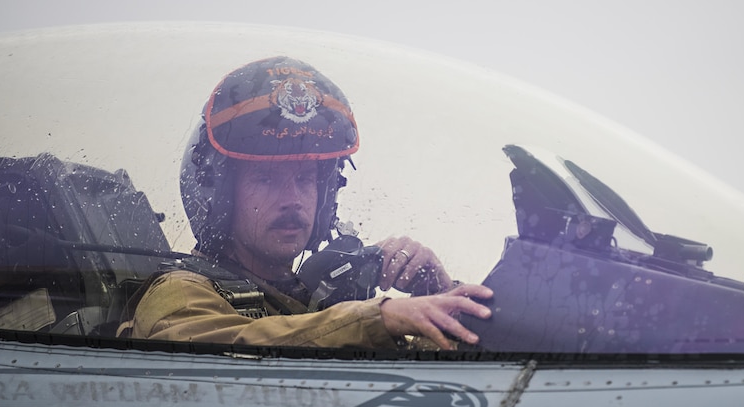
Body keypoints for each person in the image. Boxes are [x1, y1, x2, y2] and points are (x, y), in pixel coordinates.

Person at [117, 57, 492, 349]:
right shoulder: (179, 292)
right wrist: (380, 319)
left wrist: (441, 297)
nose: (293, 200)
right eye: (266, 179)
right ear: (222, 194)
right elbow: (219, 352)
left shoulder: (305, 307)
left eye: (306, 179)